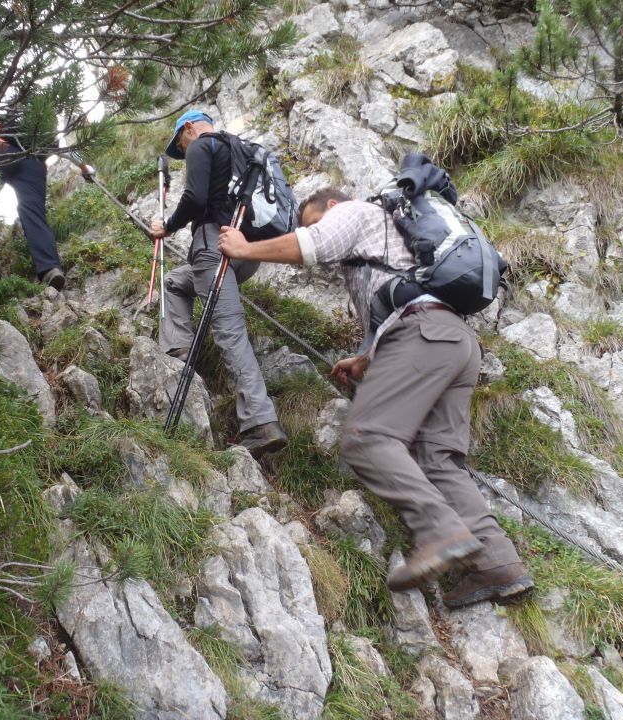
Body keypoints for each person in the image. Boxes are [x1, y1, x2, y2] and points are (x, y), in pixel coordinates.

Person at [217, 188, 533, 608]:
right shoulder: (387, 248)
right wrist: (366, 360)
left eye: (312, 219)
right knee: (438, 459)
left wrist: (245, 247)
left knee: (368, 438)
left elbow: (314, 245)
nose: (314, 227)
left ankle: (439, 532)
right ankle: (498, 563)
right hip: (453, 342)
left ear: (331, 207)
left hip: (424, 335)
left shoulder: (355, 213)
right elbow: (399, 307)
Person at [149, 109, 287, 459]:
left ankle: (260, 421)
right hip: (248, 251)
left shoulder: (201, 145)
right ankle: (180, 350)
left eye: (181, 141)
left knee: (229, 329)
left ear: (189, 128)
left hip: (215, 245)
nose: (183, 150)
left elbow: (194, 200)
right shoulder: (241, 148)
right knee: (176, 282)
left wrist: (168, 225)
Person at [0, 119, 66, 291]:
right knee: (35, 215)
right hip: (34, 163)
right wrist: (85, 168)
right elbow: (68, 151)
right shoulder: (42, 128)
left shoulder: (4, 120)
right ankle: (51, 268)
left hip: (0, 149)